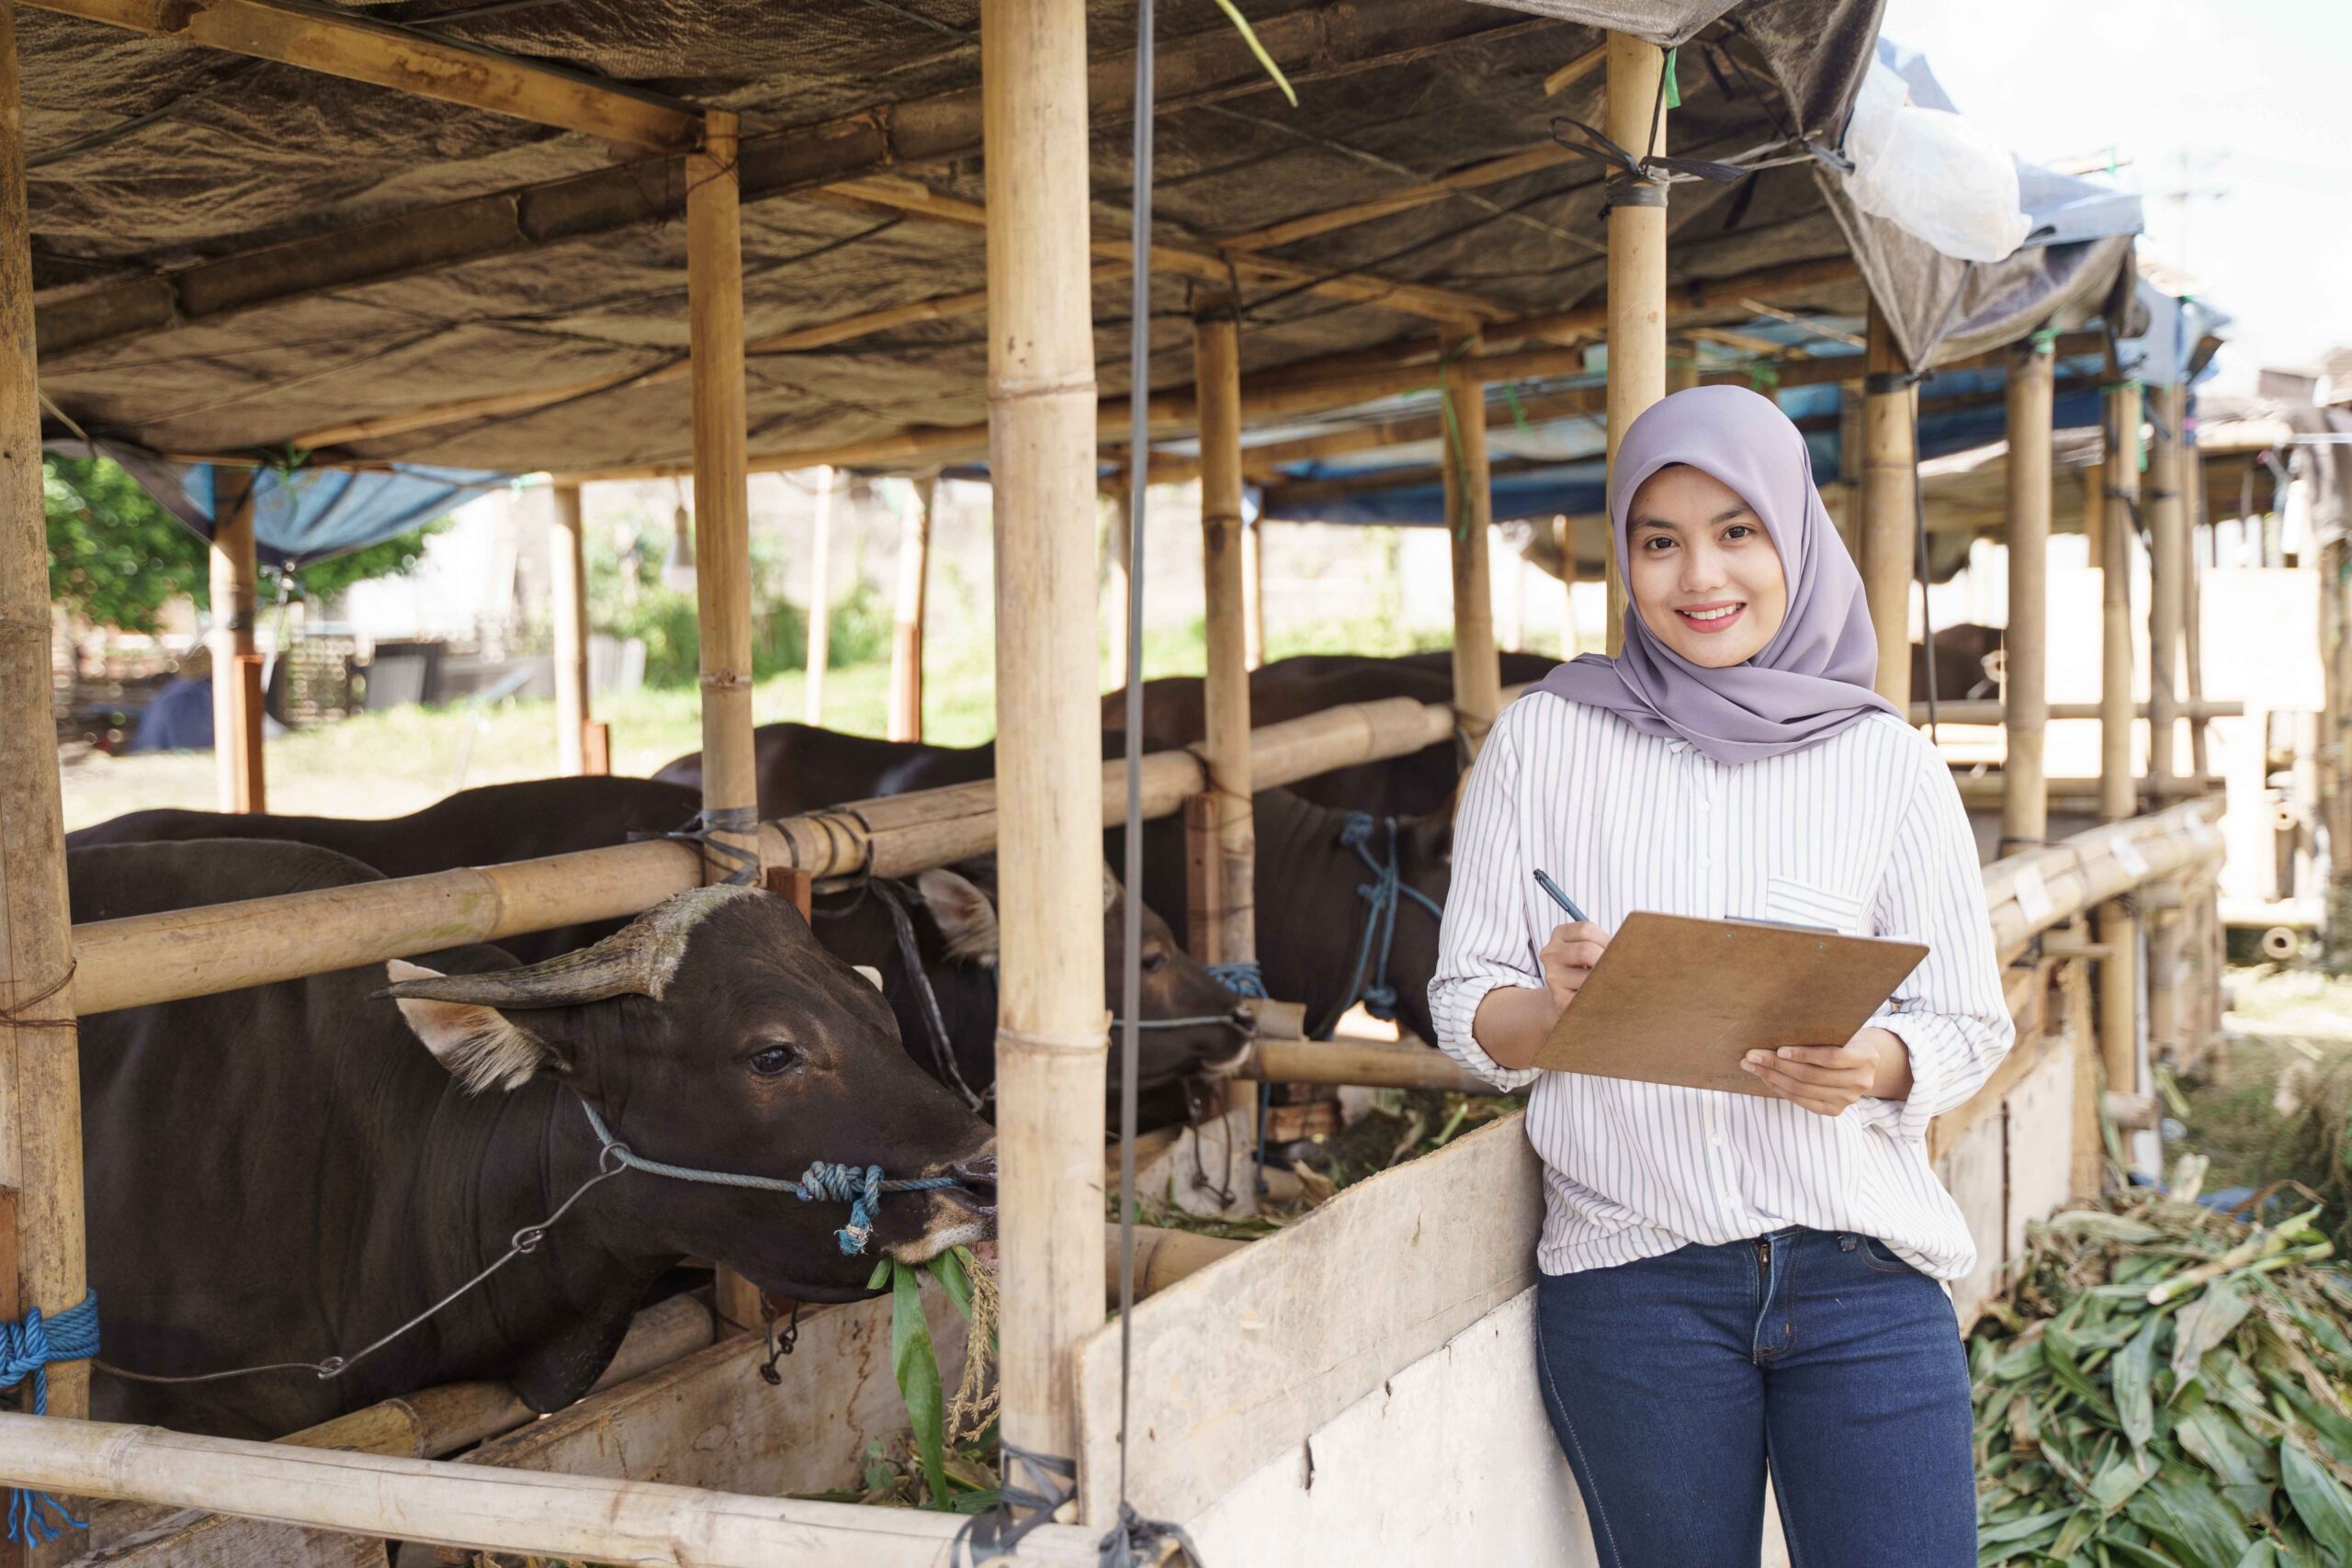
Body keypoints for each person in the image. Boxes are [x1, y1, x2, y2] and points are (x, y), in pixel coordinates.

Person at [1430, 385, 2010, 1566]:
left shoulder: (1886, 764)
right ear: (1624, 558)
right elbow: (1461, 1007)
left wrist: (1874, 1061)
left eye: (1736, 530)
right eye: (1659, 541)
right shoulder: (1545, 740)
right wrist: (1551, 1011)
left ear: (1795, 535)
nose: (1700, 575)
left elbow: (1967, 1019)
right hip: (1634, 1284)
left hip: (1862, 1274)